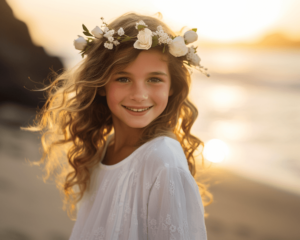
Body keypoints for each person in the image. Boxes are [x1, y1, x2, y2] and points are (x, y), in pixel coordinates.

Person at [28, 12, 212, 240]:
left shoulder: (163, 161)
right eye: (123, 78)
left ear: (172, 87)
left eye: (154, 79)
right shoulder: (105, 148)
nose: (139, 95)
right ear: (102, 84)